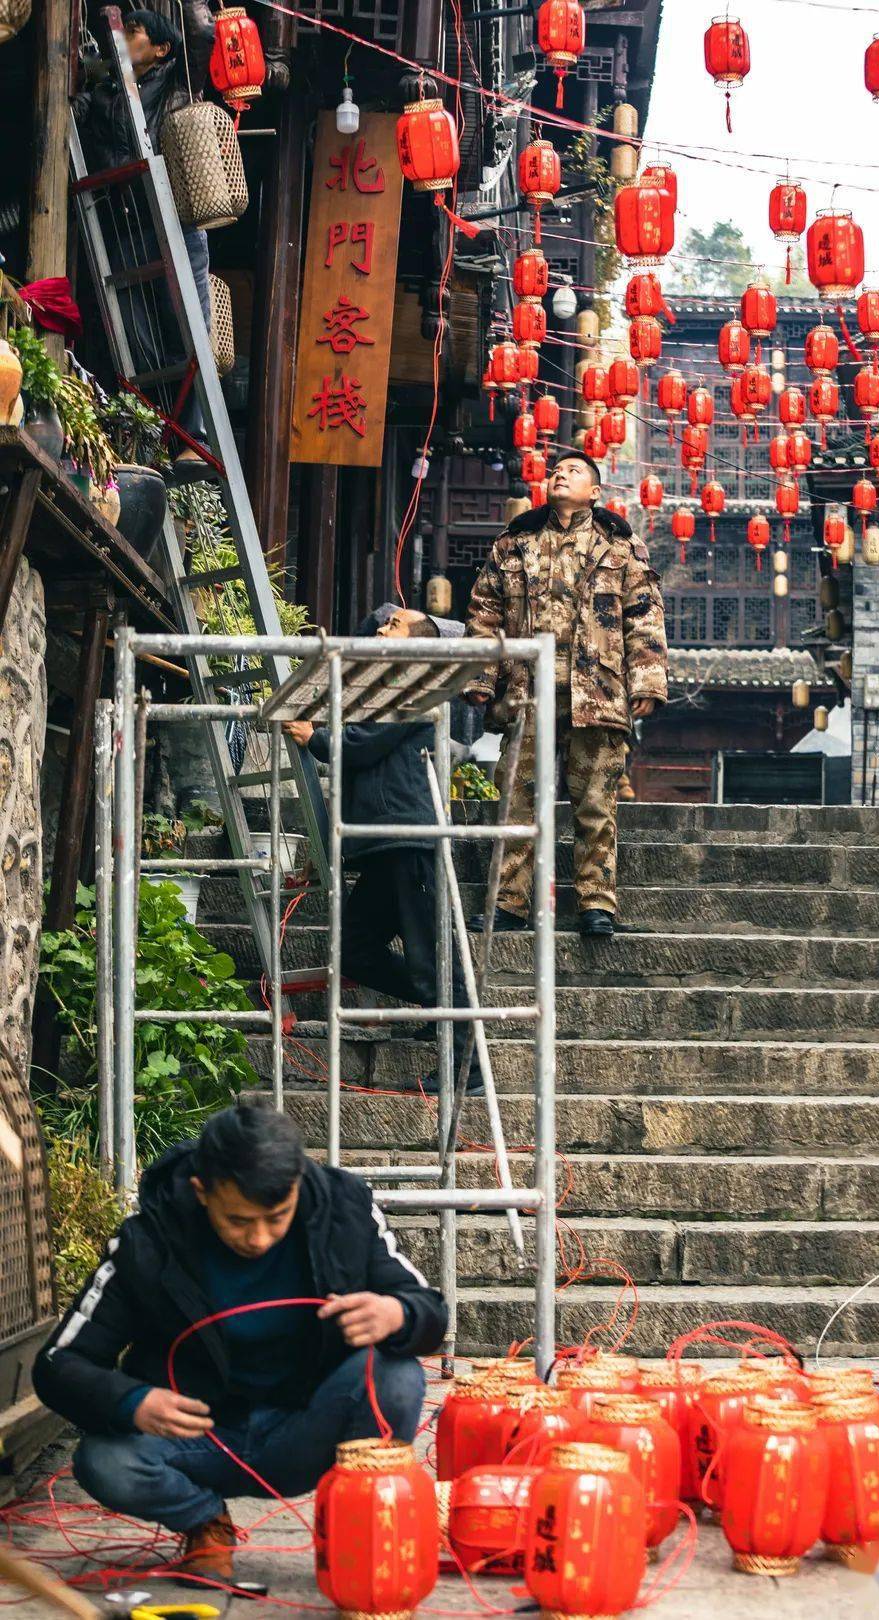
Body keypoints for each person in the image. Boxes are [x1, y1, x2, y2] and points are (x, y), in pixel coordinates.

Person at [33, 1104, 445, 1585]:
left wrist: (396, 1313)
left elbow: (429, 1309)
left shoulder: (344, 1209)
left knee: (397, 1377)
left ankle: (359, 1524)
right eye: (238, 1220)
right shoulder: (149, 1240)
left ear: (296, 1185)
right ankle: (204, 1522)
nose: (259, 1238)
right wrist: (132, 1402)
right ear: (201, 1192)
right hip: (197, 1438)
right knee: (106, 1462)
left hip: (306, 1429)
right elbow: (57, 1363)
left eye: (276, 1217)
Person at [464, 451, 668, 938]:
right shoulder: (515, 543)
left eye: (574, 471)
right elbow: (485, 612)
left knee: (596, 803)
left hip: (597, 692)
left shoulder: (620, 546)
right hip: (527, 691)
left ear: (595, 492)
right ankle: (509, 902)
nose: (560, 474)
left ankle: (596, 904)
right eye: (556, 470)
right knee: (517, 798)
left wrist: (647, 681)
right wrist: (480, 677)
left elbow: (644, 614)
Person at [283, 606, 483, 1097]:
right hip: (380, 843)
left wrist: (316, 737)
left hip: (409, 839)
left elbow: (361, 746)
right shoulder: (384, 688)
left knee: (432, 957)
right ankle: (440, 1009)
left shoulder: (416, 687)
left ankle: (467, 1068)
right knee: (352, 948)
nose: (380, 627)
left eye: (394, 625)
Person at [73, 7, 217, 472]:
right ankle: (157, 437)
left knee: (183, 330)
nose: (122, 37)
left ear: (161, 49)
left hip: (174, 225)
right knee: (136, 339)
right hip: (127, 229)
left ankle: (192, 438)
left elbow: (203, 33)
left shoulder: (176, 83)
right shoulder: (105, 95)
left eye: (133, 31)